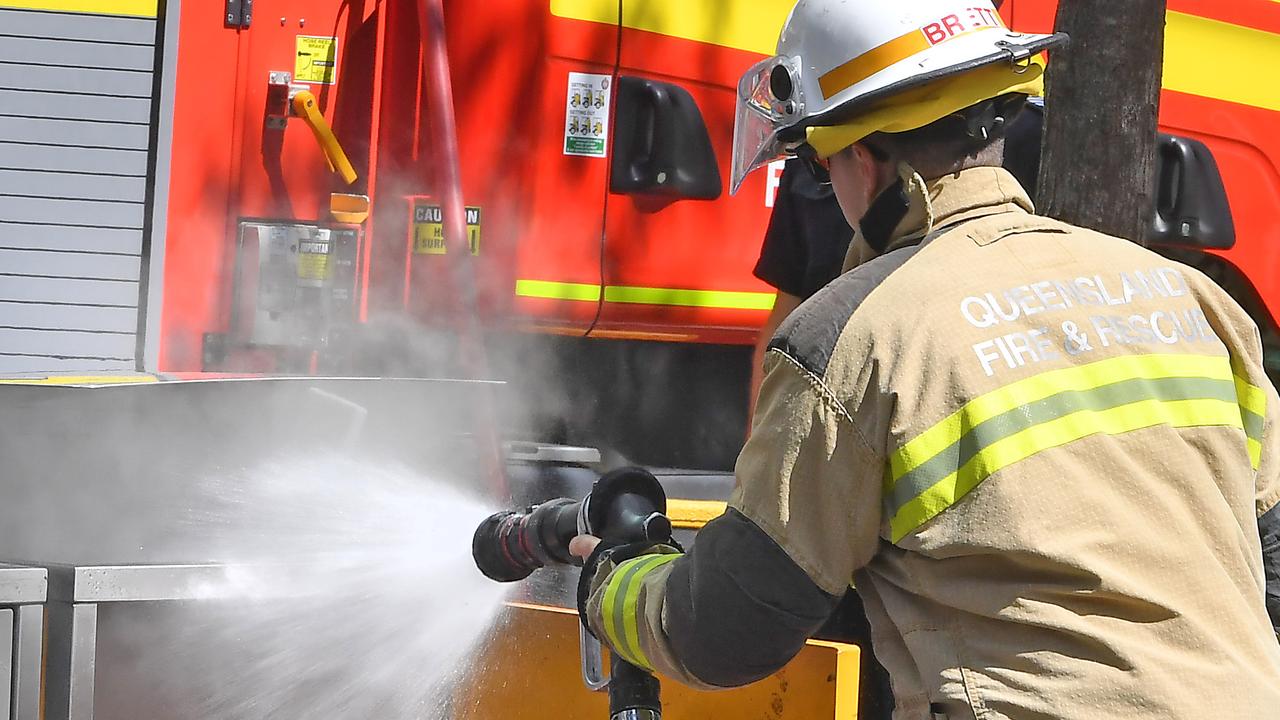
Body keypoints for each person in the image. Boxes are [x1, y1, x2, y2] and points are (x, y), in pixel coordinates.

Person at [571, 0, 1280, 717]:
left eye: (818, 164)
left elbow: (725, 631)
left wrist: (615, 578)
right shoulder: (1191, 297)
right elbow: (1272, 553)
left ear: (860, 158)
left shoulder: (854, 337)